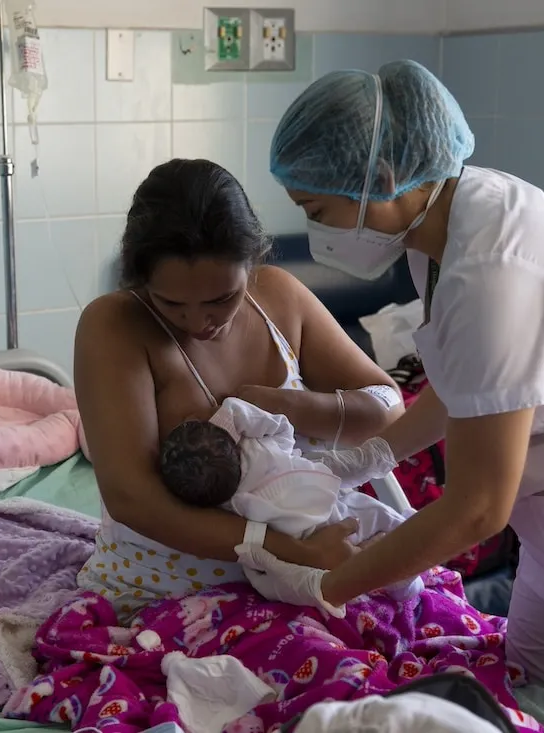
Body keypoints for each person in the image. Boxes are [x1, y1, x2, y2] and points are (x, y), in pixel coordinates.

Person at [240, 59, 544, 732]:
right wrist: (365, 457)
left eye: (318, 208)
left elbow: (478, 508)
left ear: (385, 179)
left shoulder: (497, 268)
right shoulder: (443, 230)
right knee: (529, 695)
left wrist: (328, 584)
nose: (316, 228)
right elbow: (468, 384)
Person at [73, 158, 406, 619]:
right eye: (171, 302)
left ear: (252, 265)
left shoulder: (280, 296)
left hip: (310, 567)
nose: (198, 322)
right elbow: (131, 497)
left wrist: (282, 405)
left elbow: (388, 407)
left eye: (220, 299)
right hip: (168, 592)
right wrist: (275, 548)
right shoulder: (115, 325)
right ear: (140, 280)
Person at [157, 395, 423, 606]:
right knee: (387, 522)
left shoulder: (228, 504)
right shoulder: (254, 449)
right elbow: (280, 426)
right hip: (335, 507)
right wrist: (225, 418)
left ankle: (379, 584)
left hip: (302, 540)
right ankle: (408, 584)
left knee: (272, 581)